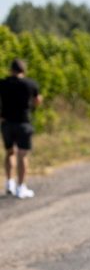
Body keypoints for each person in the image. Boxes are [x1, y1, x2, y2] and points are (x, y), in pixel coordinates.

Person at [0, 58, 43, 199]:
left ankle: (9, 183)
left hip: (7, 123)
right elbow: (37, 102)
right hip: (23, 123)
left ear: (11, 70)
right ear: (23, 70)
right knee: (22, 155)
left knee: (10, 152)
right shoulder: (31, 84)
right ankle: (21, 187)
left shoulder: (3, 83)